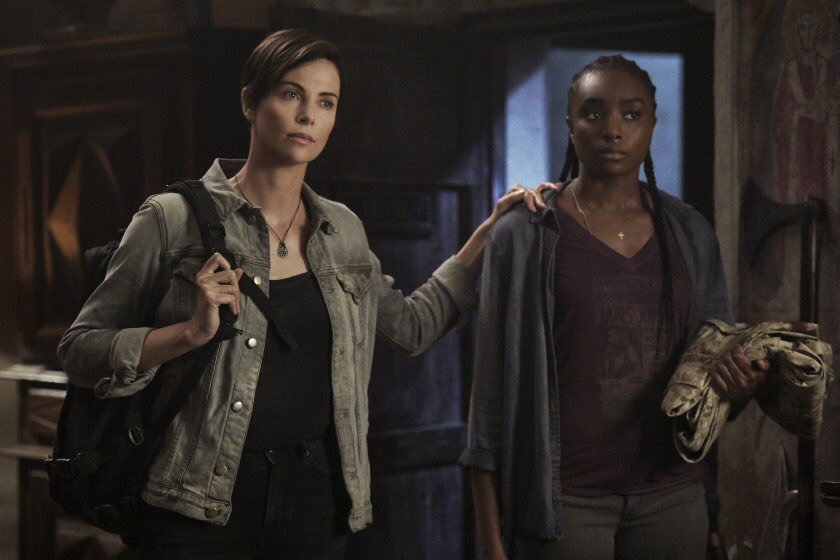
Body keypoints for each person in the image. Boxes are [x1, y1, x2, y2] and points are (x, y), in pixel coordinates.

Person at [58, 29, 540, 559]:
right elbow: (80, 349)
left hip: (316, 499)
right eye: (291, 94)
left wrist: (490, 232)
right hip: (196, 501)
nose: (308, 115)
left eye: (326, 102)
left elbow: (412, 326)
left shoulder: (342, 230)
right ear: (250, 102)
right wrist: (188, 333)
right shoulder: (171, 219)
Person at [460, 55, 770, 560]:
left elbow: (713, 374)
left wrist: (738, 385)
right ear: (570, 125)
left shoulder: (690, 233)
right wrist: (488, 539)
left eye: (631, 114)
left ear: (651, 124)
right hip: (565, 503)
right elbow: (490, 392)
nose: (612, 129)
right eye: (593, 112)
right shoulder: (523, 236)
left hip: (672, 498)